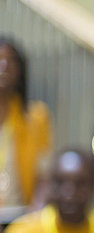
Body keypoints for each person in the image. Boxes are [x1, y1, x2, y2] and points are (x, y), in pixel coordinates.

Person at [0, 36, 53, 215]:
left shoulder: (36, 117)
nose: (4, 67)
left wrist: (35, 213)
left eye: (10, 61)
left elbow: (44, 175)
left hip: (21, 216)